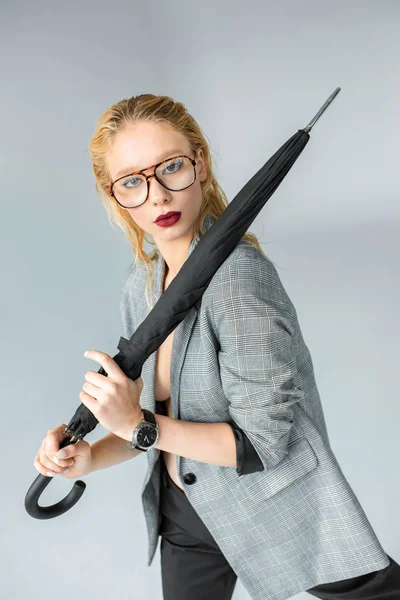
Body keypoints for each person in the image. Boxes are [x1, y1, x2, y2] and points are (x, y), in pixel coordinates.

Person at [33, 94, 399, 600]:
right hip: (186, 514)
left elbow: (263, 444)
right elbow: (149, 423)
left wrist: (135, 426)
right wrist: (89, 456)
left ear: (200, 164)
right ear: (114, 194)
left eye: (172, 167)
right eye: (133, 181)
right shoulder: (141, 284)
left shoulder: (239, 280)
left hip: (273, 507)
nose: (158, 196)